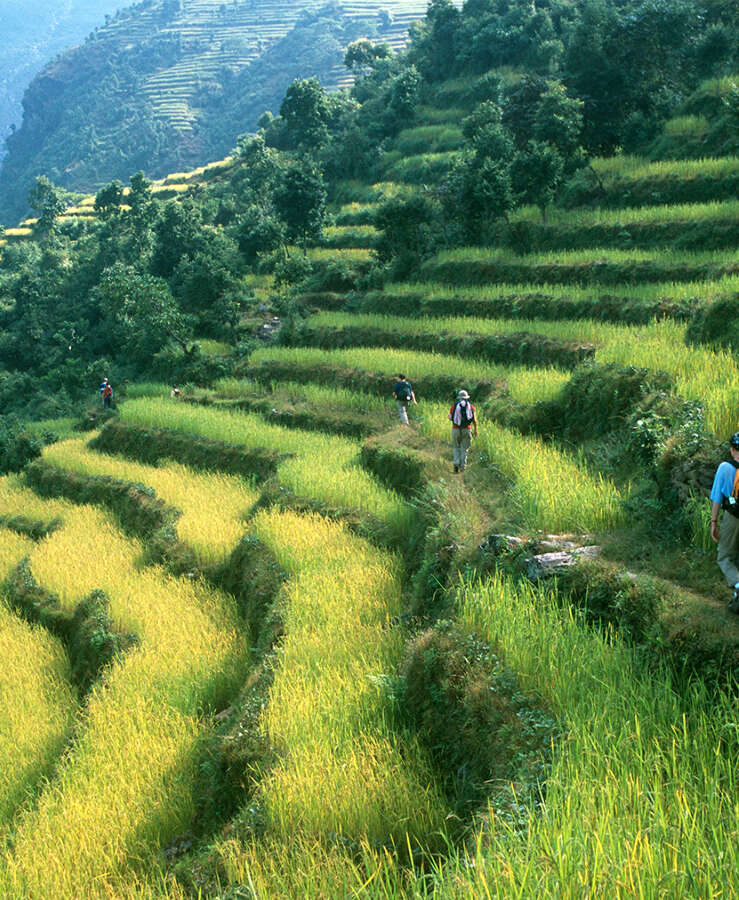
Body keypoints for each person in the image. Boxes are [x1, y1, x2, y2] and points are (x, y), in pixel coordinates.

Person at [710, 432, 739, 614]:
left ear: (731, 449)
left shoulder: (725, 468)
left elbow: (716, 499)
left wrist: (714, 522)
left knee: (725, 556)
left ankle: (738, 584)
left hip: (734, 517)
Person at [449, 389, 477, 473]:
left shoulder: (454, 406)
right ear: (466, 397)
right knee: (464, 449)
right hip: (467, 429)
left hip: (455, 429)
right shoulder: (471, 406)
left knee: (456, 447)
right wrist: (475, 430)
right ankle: (462, 467)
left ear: (459, 398)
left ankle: (456, 464)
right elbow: (474, 420)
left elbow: (450, 417)